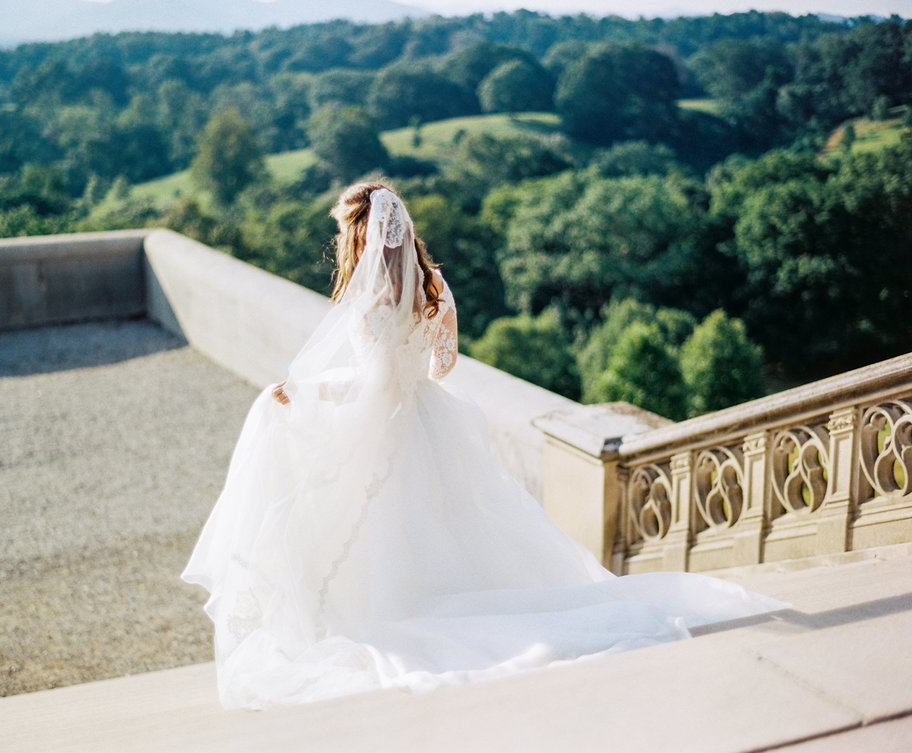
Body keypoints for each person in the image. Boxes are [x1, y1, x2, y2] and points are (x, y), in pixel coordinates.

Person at [182, 182, 784, 710]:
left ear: (360, 238)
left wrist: (309, 394)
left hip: (389, 426)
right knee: (453, 532)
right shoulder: (433, 285)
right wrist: (403, 363)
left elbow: (373, 387)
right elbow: (442, 365)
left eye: (347, 237)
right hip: (428, 421)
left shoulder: (371, 306)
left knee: (366, 532)